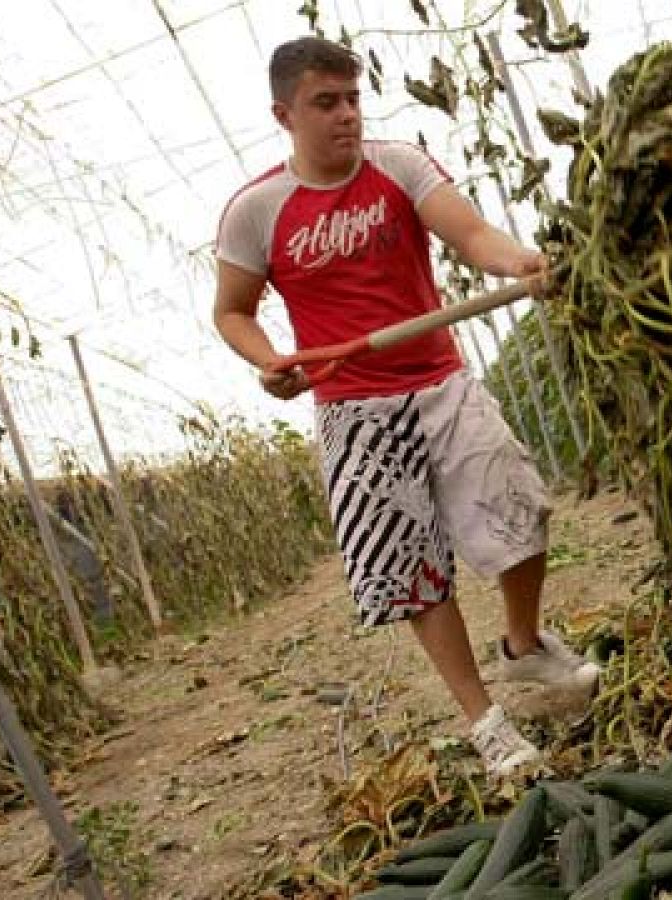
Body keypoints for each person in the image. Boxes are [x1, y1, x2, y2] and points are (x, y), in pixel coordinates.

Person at [212, 36, 596, 776]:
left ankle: (523, 644)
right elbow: (232, 311)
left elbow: (472, 232)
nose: (346, 116)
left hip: (439, 380)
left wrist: (518, 261)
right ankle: (486, 724)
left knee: (522, 508)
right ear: (284, 114)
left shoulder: (398, 166)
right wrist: (272, 363)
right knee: (412, 568)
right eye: (326, 103)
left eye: (353, 98)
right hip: (355, 410)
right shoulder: (257, 211)